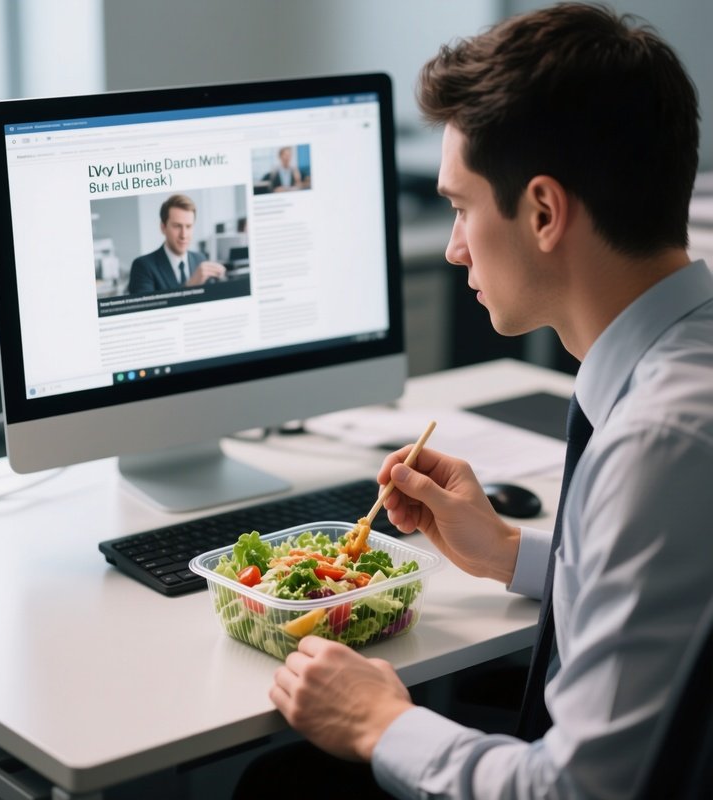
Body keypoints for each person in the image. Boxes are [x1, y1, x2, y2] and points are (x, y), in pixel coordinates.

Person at [240, 3, 713, 798]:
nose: (455, 246)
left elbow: (577, 792)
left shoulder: (657, 443)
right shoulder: (677, 375)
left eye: (461, 208)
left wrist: (382, 723)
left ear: (542, 212)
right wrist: (508, 553)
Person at [127, 193, 226, 294]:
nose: (184, 235)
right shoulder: (143, 266)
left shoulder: (200, 259)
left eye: (188, 226)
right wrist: (190, 286)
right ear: (163, 228)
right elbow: (146, 308)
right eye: (177, 226)